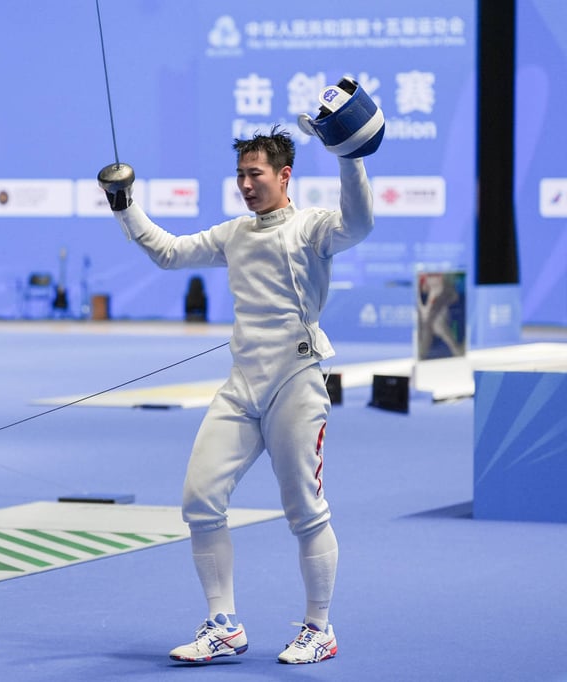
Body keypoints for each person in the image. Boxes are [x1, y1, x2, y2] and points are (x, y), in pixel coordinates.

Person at [98, 79, 382, 664]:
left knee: (305, 510)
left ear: (284, 176)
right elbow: (169, 252)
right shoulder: (233, 233)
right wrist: (125, 205)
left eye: (256, 174)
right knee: (200, 499)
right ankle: (223, 624)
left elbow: (359, 225)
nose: (246, 184)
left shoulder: (312, 228)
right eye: (241, 175)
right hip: (241, 386)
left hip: (296, 383)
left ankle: (319, 628)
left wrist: (349, 157)